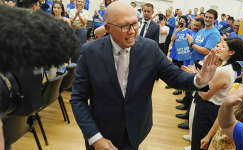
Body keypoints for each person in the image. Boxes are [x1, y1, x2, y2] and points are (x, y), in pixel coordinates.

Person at [70, 2, 220, 150]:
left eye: (135, 24)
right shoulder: (89, 52)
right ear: (108, 28)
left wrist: (198, 80)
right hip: (101, 132)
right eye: (124, 26)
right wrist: (95, 138)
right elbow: (78, 99)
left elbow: (174, 76)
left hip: (136, 130)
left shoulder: (150, 48)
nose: (132, 31)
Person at [191, 38, 243, 150]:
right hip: (213, 109)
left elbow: (205, 94)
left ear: (231, 52)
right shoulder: (229, 67)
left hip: (207, 110)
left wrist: (197, 81)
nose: (219, 49)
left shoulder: (224, 71)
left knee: (198, 143)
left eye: (223, 47)